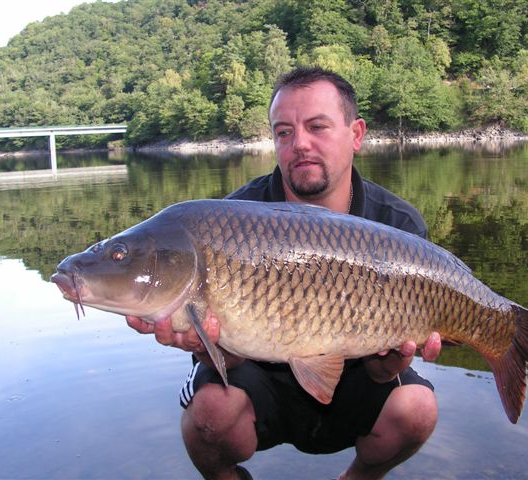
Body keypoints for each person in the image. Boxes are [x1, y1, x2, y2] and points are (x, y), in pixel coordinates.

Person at [126, 67, 441, 480]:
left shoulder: (397, 226)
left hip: (354, 376)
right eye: (284, 132)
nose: (300, 145)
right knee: (208, 414)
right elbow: (231, 356)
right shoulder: (232, 219)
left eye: (317, 127)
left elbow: (382, 371)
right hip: (259, 376)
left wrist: (388, 365)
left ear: (356, 134)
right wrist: (208, 345)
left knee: (416, 409)